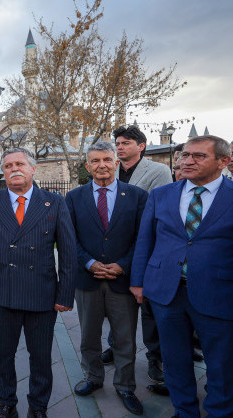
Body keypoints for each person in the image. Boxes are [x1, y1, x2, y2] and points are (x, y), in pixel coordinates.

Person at [130, 135, 233, 418]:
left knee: (222, 364)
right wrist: (138, 282)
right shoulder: (162, 195)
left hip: (218, 293)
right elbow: (145, 241)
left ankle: (219, 411)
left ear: (223, 161)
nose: (187, 161)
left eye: (198, 156)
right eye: (184, 155)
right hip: (167, 293)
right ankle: (185, 410)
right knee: (174, 360)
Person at [0, 147, 76, 418]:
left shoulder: (54, 202)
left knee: (41, 356)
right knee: (3, 355)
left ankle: (38, 406)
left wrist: (65, 294)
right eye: (8, 165)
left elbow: (68, 252)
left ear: (33, 169)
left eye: (20, 164)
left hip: (41, 293)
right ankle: (7, 402)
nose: (14, 169)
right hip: (1, 292)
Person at [64, 142, 148, 416]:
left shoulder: (136, 196)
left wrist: (122, 266)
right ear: (87, 166)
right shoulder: (74, 198)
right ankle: (93, 378)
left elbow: (143, 238)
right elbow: (68, 239)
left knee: (125, 339)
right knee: (88, 336)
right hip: (87, 281)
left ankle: (125, 386)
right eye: (95, 161)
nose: (102, 165)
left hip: (121, 280)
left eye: (107, 159)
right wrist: (89, 262)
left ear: (116, 163)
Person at [103, 125, 172, 385]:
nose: (119, 147)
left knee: (150, 307)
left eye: (126, 143)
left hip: (147, 248)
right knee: (116, 304)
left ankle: (155, 357)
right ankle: (115, 346)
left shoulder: (158, 171)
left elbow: (159, 210)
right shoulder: (110, 169)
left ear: (140, 146)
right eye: (118, 143)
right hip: (115, 249)